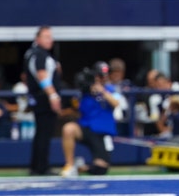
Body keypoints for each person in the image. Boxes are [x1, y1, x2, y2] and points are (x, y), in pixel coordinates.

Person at [60, 61, 121, 177]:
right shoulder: (85, 90)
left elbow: (116, 103)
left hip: (101, 132)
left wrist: (102, 91)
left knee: (101, 168)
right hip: (86, 128)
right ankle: (69, 164)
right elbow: (77, 107)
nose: (102, 78)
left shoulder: (111, 89)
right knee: (68, 129)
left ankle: (80, 168)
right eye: (99, 76)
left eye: (104, 76)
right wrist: (88, 88)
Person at [23, 25, 62, 176]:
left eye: (50, 37)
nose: (50, 40)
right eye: (46, 37)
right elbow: (42, 76)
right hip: (44, 99)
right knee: (44, 133)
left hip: (39, 98)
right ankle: (41, 167)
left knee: (41, 133)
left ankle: (36, 166)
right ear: (37, 39)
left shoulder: (33, 53)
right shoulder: (39, 54)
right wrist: (52, 95)